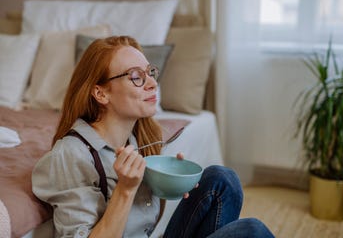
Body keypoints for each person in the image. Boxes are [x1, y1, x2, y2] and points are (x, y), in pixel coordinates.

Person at [32, 36, 275, 238]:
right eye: (136, 76)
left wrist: (166, 184)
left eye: (150, 73)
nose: (151, 84)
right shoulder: (71, 154)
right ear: (101, 93)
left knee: (222, 179)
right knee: (252, 231)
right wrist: (125, 191)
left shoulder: (135, 139)